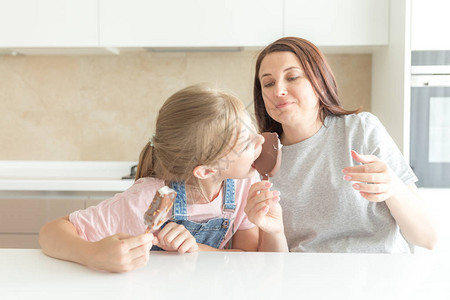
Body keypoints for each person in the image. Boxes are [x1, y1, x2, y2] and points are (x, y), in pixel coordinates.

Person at [39, 84, 280, 273]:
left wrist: (197, 249)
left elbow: (246, 255)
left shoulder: (244, 183)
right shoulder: (146, 198)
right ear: (206, 171)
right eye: (247, 143)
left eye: (252, 130)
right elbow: (50, 233)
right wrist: (94, 254)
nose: (261, 140)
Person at [245, 36, 438, 253]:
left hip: (382, 279)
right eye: (268, 83)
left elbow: (428, 237)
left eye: (292, 77)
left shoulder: (361, 130)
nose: (278, 90)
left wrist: (392, 187)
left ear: (319, 81)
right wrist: (273, 231)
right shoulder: (259, 158)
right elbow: (271, 263)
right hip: (306, 282)